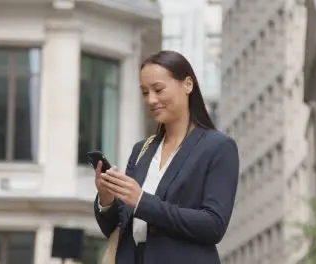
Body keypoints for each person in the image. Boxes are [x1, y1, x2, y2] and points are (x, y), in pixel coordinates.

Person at [93, 50, 239, 264]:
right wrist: (107, 199)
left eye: (158, 89)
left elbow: (213, 225)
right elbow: (120, 228)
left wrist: (143, 201)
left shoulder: (218, 147)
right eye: (144, 92)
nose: (151, 100)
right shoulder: (142, 150)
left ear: (187, 85)